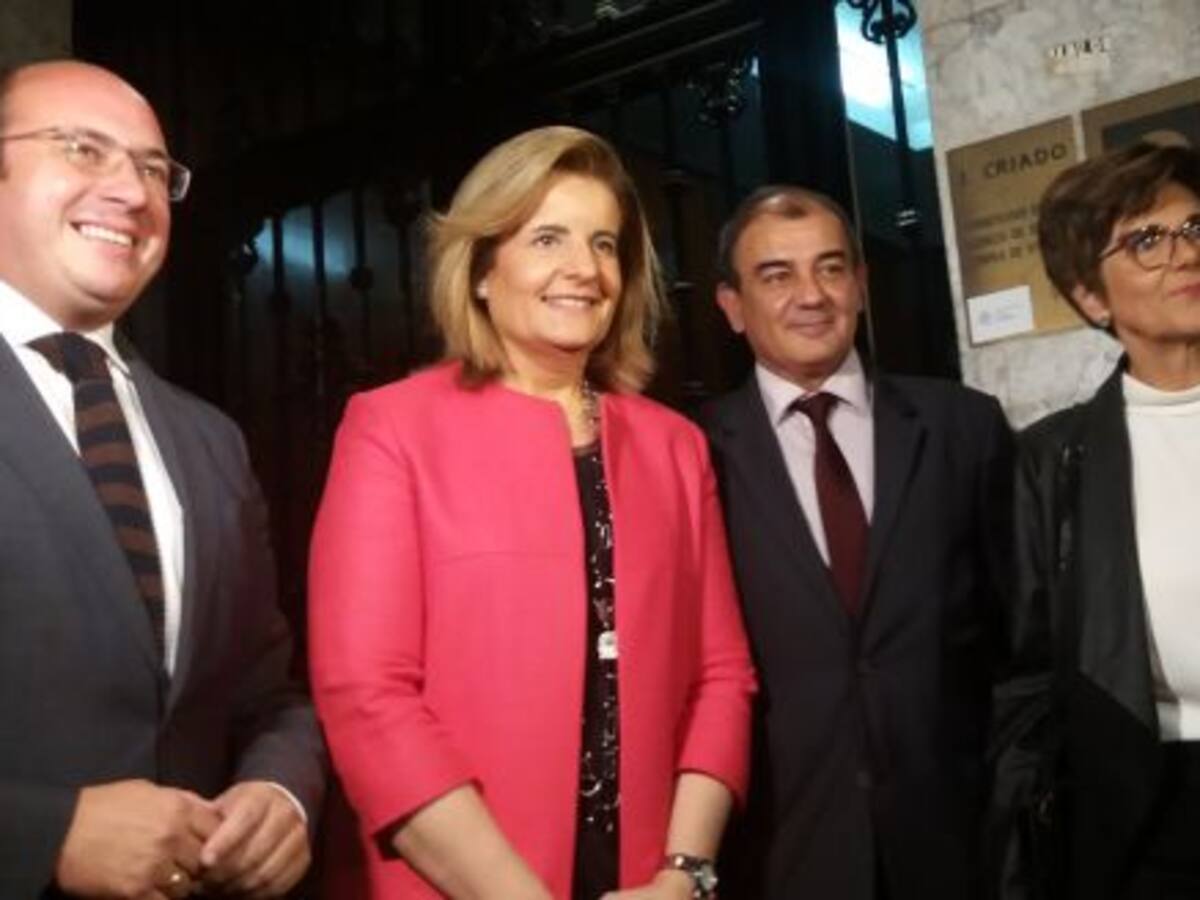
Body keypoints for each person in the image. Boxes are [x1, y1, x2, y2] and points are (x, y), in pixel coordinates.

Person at [307, 125, 755, 900]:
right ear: (482, 269)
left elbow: (722, 678)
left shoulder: (675, 447)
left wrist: (683, 876)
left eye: (604, 244)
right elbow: (368, 697)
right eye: (548, 238)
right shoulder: (392, 429)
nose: (585, 268)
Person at [0, 60, 325, 898]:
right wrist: (41, 835)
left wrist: (282, 791)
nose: (132, 192)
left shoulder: (212, 442)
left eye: (153, 169)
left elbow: (270, 695)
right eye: (83, 149)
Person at [702, 185, 1013, 899]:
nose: (811, 295)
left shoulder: (964, 428)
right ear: (732, 306)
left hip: (957, 844)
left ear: (861, 285)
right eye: (776, 275)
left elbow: (1022, 640)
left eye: (831, 268)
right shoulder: (693, 453)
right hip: (781, 853)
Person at [990, 142, 1200, 900]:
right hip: (1152, 807)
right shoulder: (1055, 460)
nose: (1185, 254)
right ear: (1090, 298)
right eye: (1147, 240)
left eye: (1194, 228)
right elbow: (1027, 675)